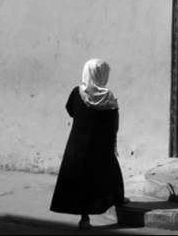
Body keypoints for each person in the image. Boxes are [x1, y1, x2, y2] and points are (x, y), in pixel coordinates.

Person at [50, 58, 125, 229]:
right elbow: (113, 122)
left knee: (81, 183)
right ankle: (117, 199)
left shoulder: (77, 93)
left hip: (77, 146)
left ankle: (84, 219)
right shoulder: (108, 97)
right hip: (100, 148)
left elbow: (70, 110)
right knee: (109, 175)